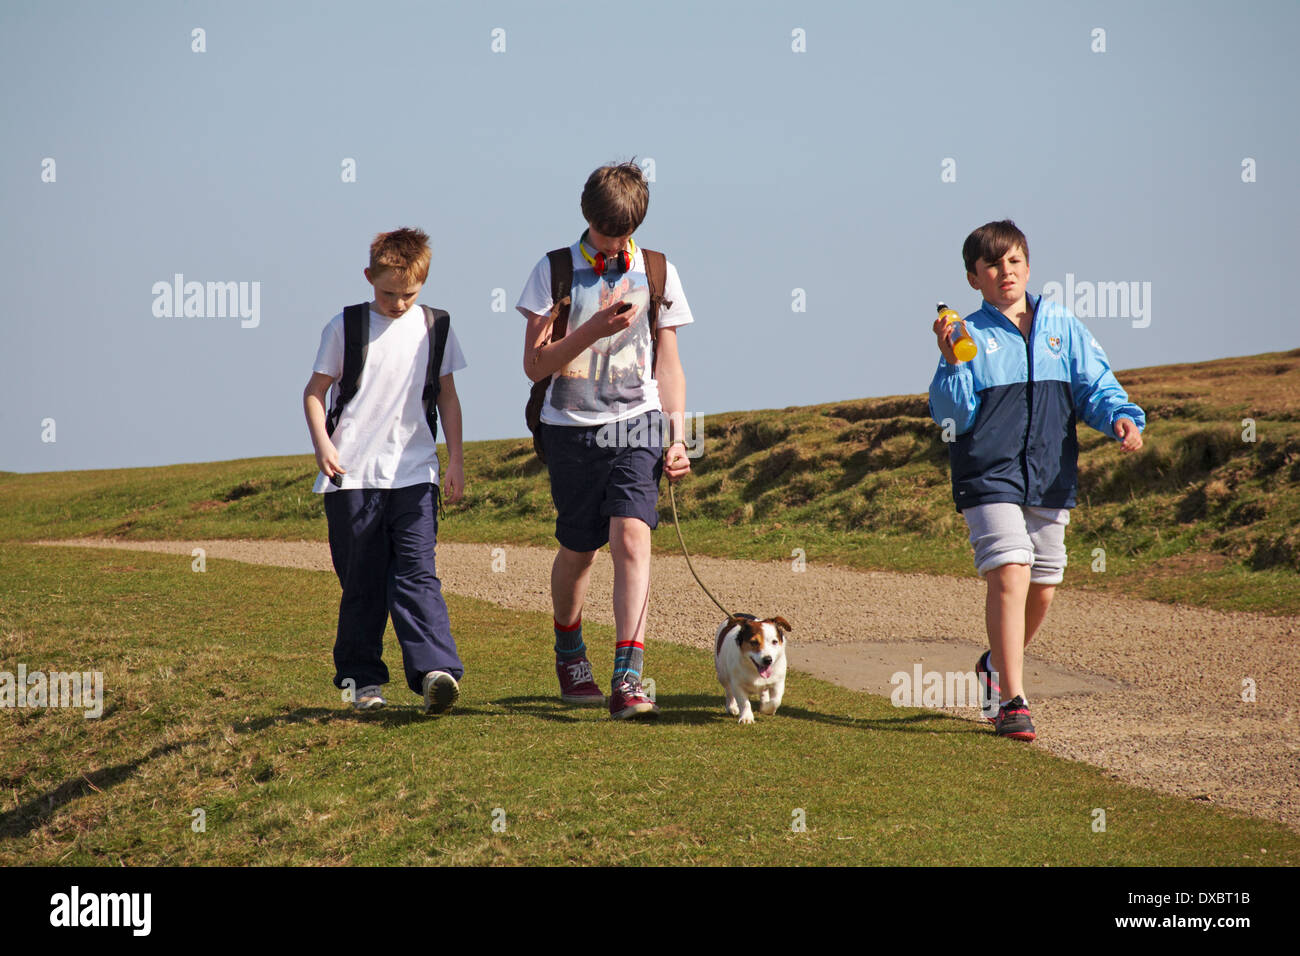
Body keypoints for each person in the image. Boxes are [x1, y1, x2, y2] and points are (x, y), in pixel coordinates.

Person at [928, 220, 1145, 741]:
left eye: (1015, 261)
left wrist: (1119, 414)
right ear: (973, 278)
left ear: (1028, 264)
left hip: (1050, 472)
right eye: (993, 265)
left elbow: (1094, 384)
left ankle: (994, 666)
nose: (1006, 272)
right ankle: (1012, 702)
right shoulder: (968, 334)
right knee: (1010, 571)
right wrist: (949, 360)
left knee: (1043, 587)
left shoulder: (1061, 325)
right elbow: (950, 415)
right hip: (987, 471)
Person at [516, 162, 694, 720]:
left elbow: (669, 362)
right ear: (587, 218)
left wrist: (678, 433)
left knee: (632, 539)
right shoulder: (555, 271)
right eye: (606, 233)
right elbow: (533, 364)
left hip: (637, 423)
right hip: (569, 430)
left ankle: (629, 678)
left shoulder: (659, 269)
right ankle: (569, 651)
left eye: (624, 234)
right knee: (579, 549)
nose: (616, 244)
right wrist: (593, 329)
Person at [303, 227, 467, 714]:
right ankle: (362, 683)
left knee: (418, 574)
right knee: (364, 584)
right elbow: (313, 393)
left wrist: (455, 458)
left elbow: (449, 398)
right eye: (387, 292)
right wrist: (323, 446)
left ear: (424, 282)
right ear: (368, 277)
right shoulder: (344, 328)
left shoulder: (436, 327)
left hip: (415, 475)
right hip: (350, 478)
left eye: (409, 294)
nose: (398, 303)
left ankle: (435, 672)